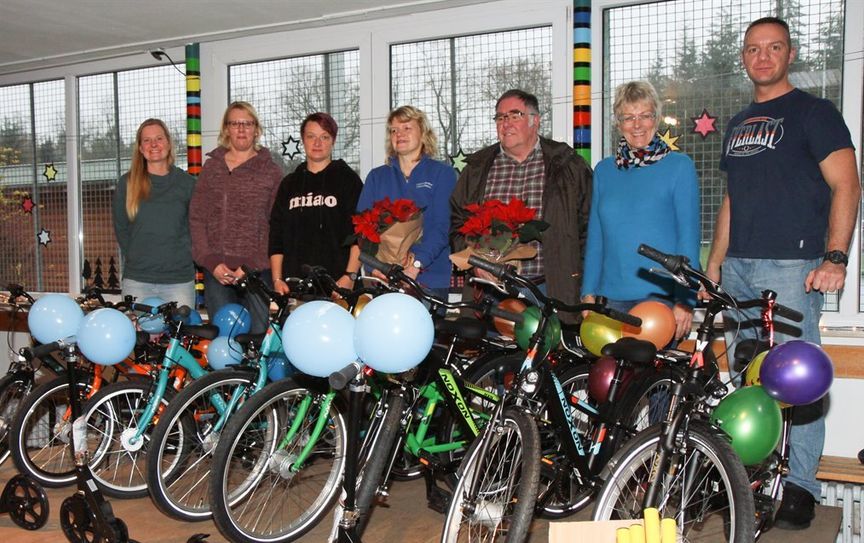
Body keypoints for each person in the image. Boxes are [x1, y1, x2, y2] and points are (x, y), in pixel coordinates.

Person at [704, 17, 860, 530]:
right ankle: (749, 479)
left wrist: (835, 258)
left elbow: (847, 185)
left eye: (773, 48)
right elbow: (732, 199)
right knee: (748, 375)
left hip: (793, 266)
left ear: (790, 54)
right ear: (744, 58)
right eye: (753, 49)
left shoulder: (816, 113)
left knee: (797, 380)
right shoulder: (736, 123)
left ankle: (800, 487)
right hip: (740, 268)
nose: (763, 57)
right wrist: (715, 263)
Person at [450, 89, 592, 322]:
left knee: (549, 357)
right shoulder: (476, 169)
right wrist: (473, 263)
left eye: (514, 115)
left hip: (550, 290)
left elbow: (588, 229)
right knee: (490, 358)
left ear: (535, 120)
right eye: (500, 117)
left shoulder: (568, 165)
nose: (505, 123)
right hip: (488, 292)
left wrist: (584, 285)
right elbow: (457, 222)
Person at [581, 81, 700, 342]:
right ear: (618, 123)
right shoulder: (604, 170)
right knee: (613, 381)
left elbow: (688, 237)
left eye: (645, 116)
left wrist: (685, 299)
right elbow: (596, 237)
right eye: (628, 117)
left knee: (655, 381)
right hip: (611, 298)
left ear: (656, 119)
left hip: (662, 299)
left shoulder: (679, 167)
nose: (637, 125)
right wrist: (588, 291)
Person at [189, 101, 284, 333]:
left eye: (247, 123)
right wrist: (211, 262)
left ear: (257, 129)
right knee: (224, 342)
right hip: (218, 273)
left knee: (257, 342)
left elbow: (277, 226)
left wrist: (249, 266)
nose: (241, 129)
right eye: (235, 123)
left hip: (256, 273)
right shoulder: (211, 169)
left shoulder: (271, 172)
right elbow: (197, 218)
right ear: (226, 129)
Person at [357, 105, 457, 300]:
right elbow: (363, 228)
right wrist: (374, 267)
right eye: (394, 130)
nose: (399, 134)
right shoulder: (377, 177)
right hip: (384, 278)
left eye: (406, 128)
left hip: (429, 279)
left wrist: (416, 264)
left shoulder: (442, 173)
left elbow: (441, 227)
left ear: (423, 133)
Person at [269, 112, 362, 295]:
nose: (317, 143)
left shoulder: (348, 180)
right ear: (303, 140)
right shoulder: (289, 184)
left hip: (339, 286)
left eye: (324, 137)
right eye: (311, 136)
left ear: (333, 141)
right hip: (295, 287)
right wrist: (277, 279)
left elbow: (361, 234)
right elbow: (276, 236)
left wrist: (349, 276)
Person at [112, 119, 197, 309]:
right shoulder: (126, 184)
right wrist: (139, 256)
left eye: (159, 138)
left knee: (179, 338)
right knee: (139, 339)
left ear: (168, 142)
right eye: (147, 140)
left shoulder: (188, 184)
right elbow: (121, 229)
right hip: (138, 280)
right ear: (140, 148)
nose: (154, 145)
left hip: (179, 281)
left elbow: (196, 229)